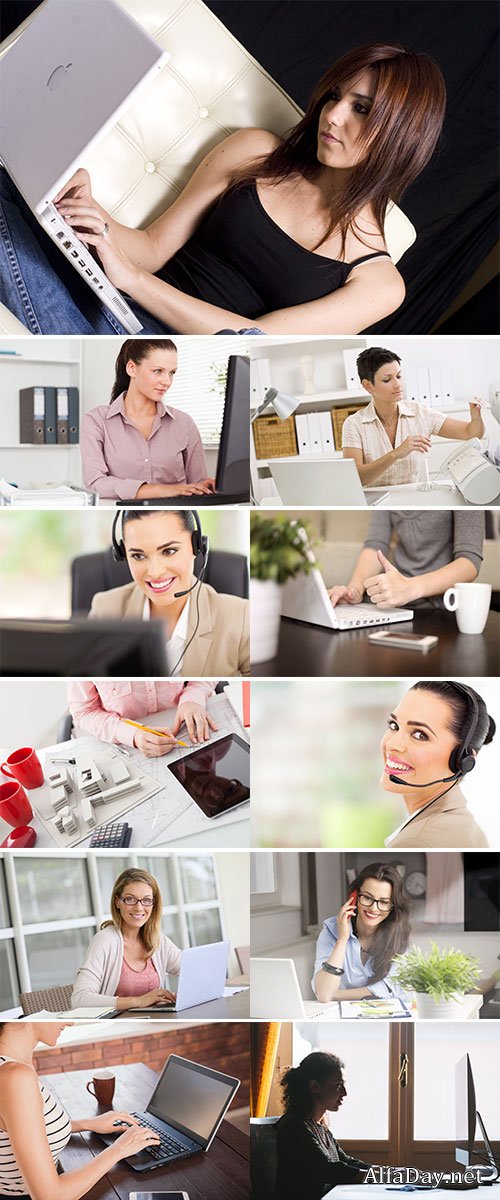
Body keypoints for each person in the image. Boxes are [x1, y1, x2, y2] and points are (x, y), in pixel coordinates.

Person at [1, 43, 446, 335]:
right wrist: (90, 212)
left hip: (154, 352)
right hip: (110, 299)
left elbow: (247, 345)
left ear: (400, 135)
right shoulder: (256, 152)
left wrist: (134, 281)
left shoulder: (378, 282)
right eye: (335, 96)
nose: (332, 115)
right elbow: (152, 249)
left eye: (361, 109)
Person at [0, 1021, 160, 1200]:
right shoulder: (14, 1077)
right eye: (59, 1014)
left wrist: (86, 1124)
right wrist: (120, 1149)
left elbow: (20, 1128)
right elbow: (50, 1197)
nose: (69, 1021)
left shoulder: (14, 1064)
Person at [88, 509, 250, 677]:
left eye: (169, 551)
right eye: (138, 556)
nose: (155, 572)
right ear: (123, 555)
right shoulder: (104, 610)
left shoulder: (241, 618)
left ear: (197, 546)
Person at [80, 338, 215, 500]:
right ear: (132, 369)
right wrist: (165, 490)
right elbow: (96, 483)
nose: (167, 381)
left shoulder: (184, 423)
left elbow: (196, 487)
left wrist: (209, 487)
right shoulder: (96, 421)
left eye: (172, 373)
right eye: (158, 371)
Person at [342, 347, 485, 486]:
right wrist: (396, 454)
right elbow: (355, 478)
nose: (398, 385)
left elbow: (470, 433)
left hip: (410, 497)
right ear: (368, 386)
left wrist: (476, 417)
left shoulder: (420, 413)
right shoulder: (353, 424)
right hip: (374, 502)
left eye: (398, 376)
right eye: (387, 380)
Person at [381, 681, 495, 848]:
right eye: (394, 725)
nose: (392, 744)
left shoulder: (415, 842)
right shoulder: (464, 823)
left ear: (463, 760)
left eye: (420, 735)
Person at [328, 509, 485, 610]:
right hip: (392, 605)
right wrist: (354, 590)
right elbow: (375, 544)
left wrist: (410, 587)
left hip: (441, 607)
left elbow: (469, 562)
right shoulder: (387, 482)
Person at [72, 868, 182, 1009]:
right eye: (130, 899)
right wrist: (138, 1001)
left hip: (153, 1020)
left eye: (147, 900)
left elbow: (192, 970)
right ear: (117, 901)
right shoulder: (105, 940)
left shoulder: (157, 939)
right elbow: (80, 999)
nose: (138, 908)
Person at [275, 1051, 371, 1200]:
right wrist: (385, 1176)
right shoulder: (294, 1126)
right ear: (315, 1086)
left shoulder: (319, 1127)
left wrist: (391, 1173)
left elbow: (346, 1161)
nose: (345, 1093)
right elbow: (327, 1170)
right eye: (338, 1085)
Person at [313, 863, 411, 1002]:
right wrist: (342, 939)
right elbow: (323, 995)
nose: (373, 908)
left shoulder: (398, 935)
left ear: (392, 907)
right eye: (367, 897)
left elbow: (389, 988)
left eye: (383, 902)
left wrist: (333, 994)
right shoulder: (331, 929)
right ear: (355, 896)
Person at [67, 679, 218, 755]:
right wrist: (130, 734)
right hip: (127, 746)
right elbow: (84, 712)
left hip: (186, 724)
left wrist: (193, 698)